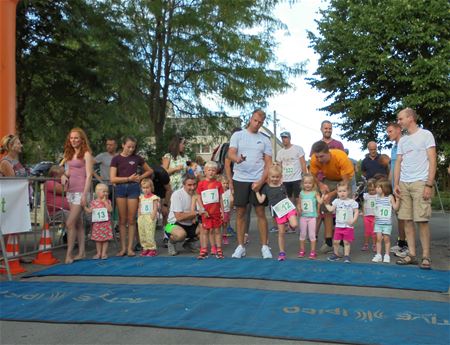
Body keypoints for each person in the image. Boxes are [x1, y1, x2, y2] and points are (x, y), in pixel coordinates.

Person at [394, 108, 436, 269]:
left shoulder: (426, 135)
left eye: (400, 119)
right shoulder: (403, 140)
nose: (399, 122)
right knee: (406, 220)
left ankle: (426, 256)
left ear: (410, 118)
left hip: (420, 182)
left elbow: (432, 160)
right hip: (404, 183)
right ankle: (411, 254)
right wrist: (396, 184)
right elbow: (399, 162)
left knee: (422, 220)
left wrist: (429, 184)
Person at [228, 109, 273, 259]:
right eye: (255, 120)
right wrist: (237, 159)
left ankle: (265, 246)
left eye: (260, 122)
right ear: (250, 119)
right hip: (240, 179)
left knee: (261, 212)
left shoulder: (265, 139)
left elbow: (268, 163)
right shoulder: (238, 135)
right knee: (240, 213)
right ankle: (240, 246)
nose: (257, 124)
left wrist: (261, 182)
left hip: (257, 179)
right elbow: (231, 153)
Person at [110, 136, 153, 257]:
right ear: (123, 145)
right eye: (128, 146)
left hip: (133, 189)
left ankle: (130, 248)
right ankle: (123, 248)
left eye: (133, 147)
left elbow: (150, 171)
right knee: (122, 220)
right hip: (120, 189)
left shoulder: (137, 158)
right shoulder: (116, 159)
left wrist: (140, 177)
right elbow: (112, 178)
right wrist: (128, 178)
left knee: (132, 219)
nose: (130, 149)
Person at [309, 140, 354, 254]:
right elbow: (313, 175)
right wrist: (321, 185)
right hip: (329, 178)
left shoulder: (340, 157)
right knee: (326, 207)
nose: (319, 160)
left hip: (345, 179)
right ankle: (329, 242)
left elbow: (345, 183)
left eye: (321, 156)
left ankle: (344, 242)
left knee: (344, 207)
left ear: (328, 152)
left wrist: (332, 194)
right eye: (317, 157)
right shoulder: (315, 158)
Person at [61, 128, 94, 264]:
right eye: (71, 138)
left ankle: (69, 254)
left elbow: (89, 175)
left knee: (70, 223)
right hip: (71, 191)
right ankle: (82, 252)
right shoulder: (69, 154)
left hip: (81, 191)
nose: (73, 140)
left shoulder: (86, 154)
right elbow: (69, 171)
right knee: (78, 223)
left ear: (82, 139)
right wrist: (63, 175)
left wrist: (84, 195)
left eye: (76, 138)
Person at [256, 164, 299, 261]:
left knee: (295, 224)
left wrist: (293, 207)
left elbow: (287, 197)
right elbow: (261, 200)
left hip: (288, 209)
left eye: (277, 177)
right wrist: (256, 191)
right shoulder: (266, 188)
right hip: (278, 212)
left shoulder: (282, 186)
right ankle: (282, 252)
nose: (275, 179)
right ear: (269, 177)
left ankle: (290, 225)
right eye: (273, 177)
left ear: (280, 177)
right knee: (281, 233)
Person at [276, 131, 307, 234]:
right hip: (285, 180)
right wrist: (279, 179)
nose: (284, 139)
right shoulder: (280, 152)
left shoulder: (297, 148)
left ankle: (301, 225)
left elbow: (303, 163)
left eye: (286, 137)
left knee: (299, 201)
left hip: (297, 178)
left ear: (289, 138)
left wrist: (305, 176)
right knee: (289, 202)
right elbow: (279, 166)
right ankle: (291, 224)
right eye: (282, 138)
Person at [164, 174, 201, 256]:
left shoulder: (197, 194)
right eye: (189, 185)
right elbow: (179, 217)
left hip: (190, 224)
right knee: (181, 235)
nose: (192, 187)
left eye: (194, 184)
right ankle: (171, 242)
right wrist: (195, 213)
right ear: (183, 184)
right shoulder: (177, 194)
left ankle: (188, 244)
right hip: (172, 224)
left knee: (206, 228)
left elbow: (201, 211)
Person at [386, 122, 407, 257]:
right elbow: (393, 168)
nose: (389, 134)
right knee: (399, 216)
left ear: (399, 130)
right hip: (394, 187)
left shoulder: (405, 144)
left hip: (403, 186)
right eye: (387, 132)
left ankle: (406, 246)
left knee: (405, 217)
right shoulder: (394, 147)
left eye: (390, 131)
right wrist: (388, 185)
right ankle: (401, 243)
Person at [196, 161, 224, 259]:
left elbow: (220, 198)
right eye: (209, 170)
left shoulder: (218, 184)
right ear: (205, 171)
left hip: (216, 212)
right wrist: (202, 209)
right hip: (206, 212)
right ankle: (204, 249)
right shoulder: (201, 184)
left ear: (216, 172)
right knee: (205, 231)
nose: (211, 172)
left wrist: (223, 211)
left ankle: (219, 249)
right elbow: (198, 197)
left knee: (217, 231)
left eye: (213, 170)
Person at [324, 181, 359, 263]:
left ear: (348, 191)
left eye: (344, 191)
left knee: (346, 242)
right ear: (337, 192)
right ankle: (336, 255)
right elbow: (331, 209)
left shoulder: (352, 202)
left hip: (348, 226)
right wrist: (326, 203)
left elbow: (356, 211)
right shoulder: (336, 201)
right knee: (336, 242)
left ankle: (347, 256)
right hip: (338, 226)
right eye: (340, 191)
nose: (342, 193)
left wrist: (353, 220)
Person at [372, 179, 400, 264]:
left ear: (384, 188)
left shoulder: (390, 197)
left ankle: (387, 255)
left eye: (378, 187)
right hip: (378, 223)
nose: (376, 189)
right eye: (376, 187)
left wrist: (398, 200)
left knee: (386, 239)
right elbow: (375, 208)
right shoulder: (376, 197)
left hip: (387, 224)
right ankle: (378, 255)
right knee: (378, 239)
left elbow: (395, 208)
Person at [84, 183, 113, 260]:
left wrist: (105, 202)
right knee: (98, 240)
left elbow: (110, 210)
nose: (106, 193)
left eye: (107, 192)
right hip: (97, 224)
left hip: (106, 224)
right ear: (97, 192)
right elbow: (90, 211)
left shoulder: (108, 201)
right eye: (104, 192)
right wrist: (84, 207)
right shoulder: (94, 202)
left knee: (105, 239)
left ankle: (104, 253)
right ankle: (98, 253)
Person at [298, 173, 321, 259]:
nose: (307, 185)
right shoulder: (301, 193)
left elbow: (320, 202)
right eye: (306, 183)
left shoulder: (315, 193)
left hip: (312, 217)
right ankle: (302, 250)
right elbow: (299, 204)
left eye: (309, 183)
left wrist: (322, 199)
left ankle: (312, 251)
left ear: (313, 184)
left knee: (312, 235)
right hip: (303, 217)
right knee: (302, 234)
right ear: (303, 184)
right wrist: (299, 208)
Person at [137, 178, 160, 257]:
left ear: (151, 187)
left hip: (149, 217)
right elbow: (139, 206)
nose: (146, 190)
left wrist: (152, 216)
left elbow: (155, 207)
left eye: (147, 188)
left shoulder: (154, 197)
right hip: (142, 217)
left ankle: (152, 248)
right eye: (144, 188)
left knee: (149, 233)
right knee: (142, 233)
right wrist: (139, 215)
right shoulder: (141, 197)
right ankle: (145, 248)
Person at [361, 178, 377, 252]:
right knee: (367, 231)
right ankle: (366, 244)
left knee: (374, 232)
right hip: (367, 216)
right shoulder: (366, 195)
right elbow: (364, 204)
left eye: (373, 190)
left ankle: (374, 245)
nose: (371, 191)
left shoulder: (378, 196)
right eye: (370, 190)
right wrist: (363, 213)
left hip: (375, 216)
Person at [219, 175, 233, 245]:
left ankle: (224, 237)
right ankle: (218, 238)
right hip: (219, 212)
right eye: (224, 183)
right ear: (220, 183)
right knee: (218, 226)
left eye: (227, 183)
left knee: (225, 225)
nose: (225, 185)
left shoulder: (229, 191)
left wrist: (230, 209)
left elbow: (231, 200)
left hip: (226, 211)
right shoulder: (218, 192)